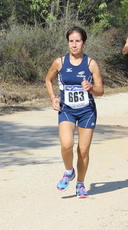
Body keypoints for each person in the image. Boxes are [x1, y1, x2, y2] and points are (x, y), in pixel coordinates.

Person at [44, 26, 104, 199]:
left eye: (78, 41)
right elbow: (48, 79)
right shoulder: (60, 62)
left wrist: (91, 88)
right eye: (71, 41)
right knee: (66, 144)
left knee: (83, 151)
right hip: (67, 110)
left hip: (87, 111)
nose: (74, 45)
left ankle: (80, 184)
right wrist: (53, 97)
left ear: (83, 43)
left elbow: (101, 90)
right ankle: (69, 171)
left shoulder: (91, 63)